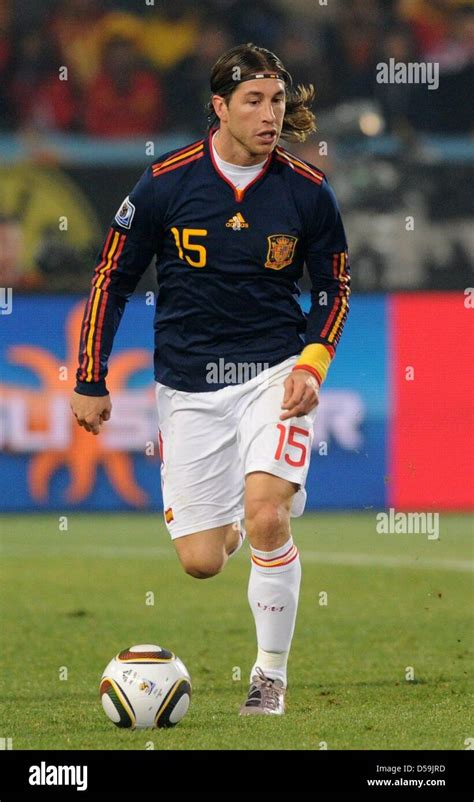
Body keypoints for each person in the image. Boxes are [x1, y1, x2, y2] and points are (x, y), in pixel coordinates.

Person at [70, 43, 350, 716]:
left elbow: (333, 287)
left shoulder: (306, 192)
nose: (269, 115)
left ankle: (268, 677)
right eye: (253, 101)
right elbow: (113, 276)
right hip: (189, 385)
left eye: (278, 101)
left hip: (274, 372)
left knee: (266, 517)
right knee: (202, 559)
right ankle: (249, 509)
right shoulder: (166, 183)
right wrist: (89, 376)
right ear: (219, 107)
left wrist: (313, 363)